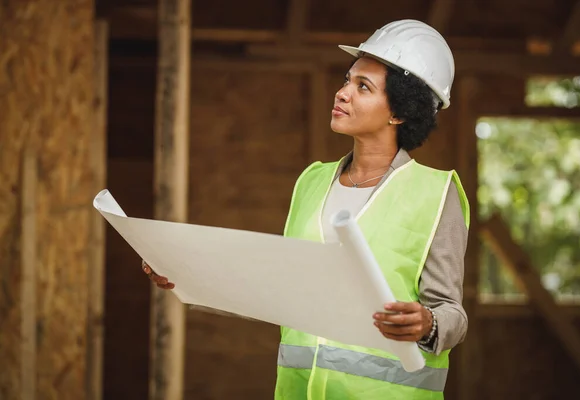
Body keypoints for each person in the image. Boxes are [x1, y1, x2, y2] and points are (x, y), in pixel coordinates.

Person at [142, 19, 469, 399]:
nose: (342, 93)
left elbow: (452, 315)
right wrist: (183, 272)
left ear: (400, 112)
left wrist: (427, 323)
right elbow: (280, 292)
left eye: (362, 87)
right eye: (347, 80)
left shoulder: (435, 192)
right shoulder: (312, 181)